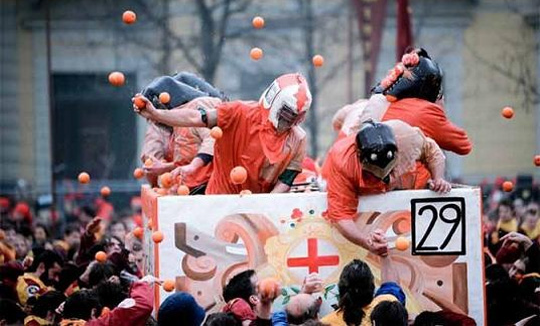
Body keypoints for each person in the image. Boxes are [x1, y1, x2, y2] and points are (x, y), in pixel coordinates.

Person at [135, 73, 311, 194]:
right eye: (288, 113)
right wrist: (156, 114)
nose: (291, 120)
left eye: (297, 116)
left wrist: (264, 206)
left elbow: (286, 180)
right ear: (275, 101)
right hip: (219, 202)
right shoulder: (239, 112)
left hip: (257, 210)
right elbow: (198, 117)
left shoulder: (299, 139)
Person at [323, 119, 450, 255]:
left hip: (410, 190)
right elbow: (340, 215)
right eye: (374, 173)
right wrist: (367, 242)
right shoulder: (342, 161)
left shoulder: (407, 137)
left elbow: (432, 152)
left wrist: (438, 178)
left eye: (389, 170)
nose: (382, 178)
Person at [335, 48, 472, 156]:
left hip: (339, 163)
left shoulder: (371, 101)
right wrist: (440, 112)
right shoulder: (426, 112)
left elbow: (336, 121)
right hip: (382, 180)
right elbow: (464, 145)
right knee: (427, 159)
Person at [140, 75, 223, 193]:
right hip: (191, 188)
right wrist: (163, 168)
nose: (156, 123)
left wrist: (193, 166)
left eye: (156, 119)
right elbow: (185, 160)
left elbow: (212, 139)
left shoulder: (198, 106)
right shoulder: (173, 128)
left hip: (208, 186)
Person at [321, 257, 405, 326]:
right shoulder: (388, 307)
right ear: (372, 288)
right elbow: (391, 285)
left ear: (340, 290)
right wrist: (384, 255)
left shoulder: (326, 323)